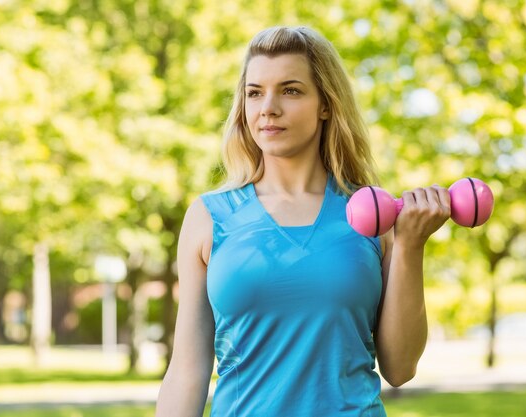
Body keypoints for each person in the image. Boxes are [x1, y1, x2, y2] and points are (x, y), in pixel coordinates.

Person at [155, 25, 451, 417]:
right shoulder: (210, 217)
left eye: (290, 90)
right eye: (255, 93)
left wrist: (411, 246)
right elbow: (186, 373)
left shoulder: (373, 215)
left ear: (326, 104)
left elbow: (400, 368)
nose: (268, 108)